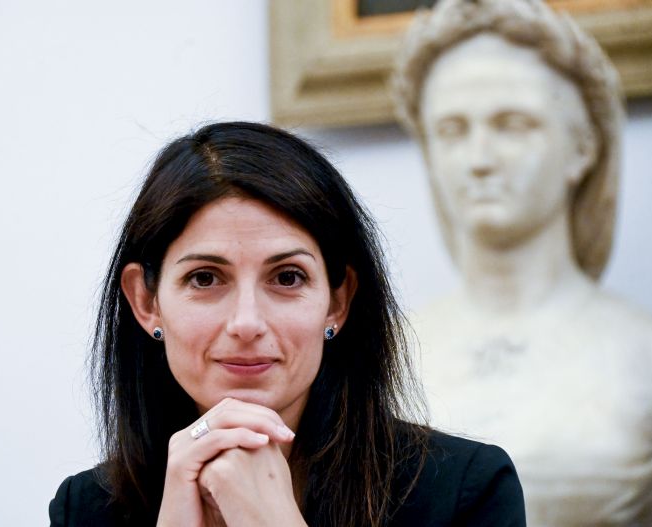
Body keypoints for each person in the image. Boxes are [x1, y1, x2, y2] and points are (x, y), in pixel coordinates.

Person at [49, 121, 525, 526]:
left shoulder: (466, 492)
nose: (246, 323)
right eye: (205, 278)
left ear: (337, 302)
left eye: (287, 277)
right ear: (146, 301)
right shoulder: (85, 510)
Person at [391, 0, 652, 525]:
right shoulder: (383, 355)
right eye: (452, 130)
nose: (479, 159)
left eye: (513, 125)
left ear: (583, 148)